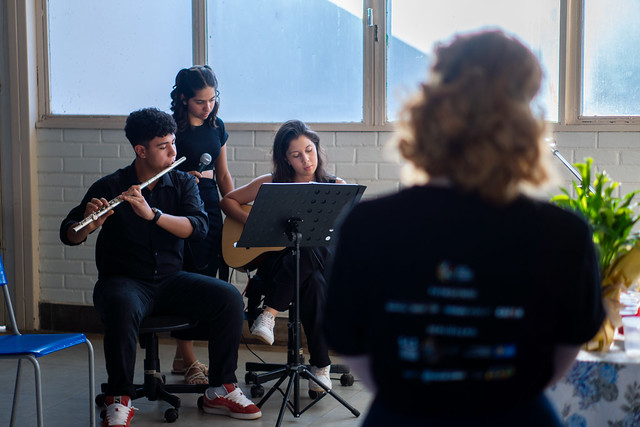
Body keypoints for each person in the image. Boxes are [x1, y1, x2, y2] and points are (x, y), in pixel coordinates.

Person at [324, 30, 605, 426]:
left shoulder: (367, 224)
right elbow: (561, 356)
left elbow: (347, 341)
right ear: (525, 121)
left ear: (429, 112)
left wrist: (417, 398)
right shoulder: (566, 234)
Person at [60, 108, 261, 426]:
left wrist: (153, 214)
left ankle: (220, 389)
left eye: (173, 143)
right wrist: (90, 224)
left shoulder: (182, 182)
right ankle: (119, 398)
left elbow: (198, 228)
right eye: (163, 146)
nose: (173, 151)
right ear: (141, 150)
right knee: (121, 303)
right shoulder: (111, 185)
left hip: (171, 280)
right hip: (125, 281)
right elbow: (69, 234)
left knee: (228, 298)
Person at [220, 119, 345, 393]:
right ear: (286, 159)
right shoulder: (271, 183)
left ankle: (269, 313)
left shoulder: (335, 186)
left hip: (319, 264)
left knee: (311, 247)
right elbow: (227, 200)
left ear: (317, 149)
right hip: (275, 269)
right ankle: (321, 367)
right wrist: (252, 221)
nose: (306, 159)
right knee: (313, 280)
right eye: (297, 155)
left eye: (310, 150)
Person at [168, 65, 234, 385]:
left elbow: (222, 175)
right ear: (182, 99)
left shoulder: (217, 126)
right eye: (199, 101)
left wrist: (234, 210)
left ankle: (182, 358)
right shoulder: (172, 131)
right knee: (190, 281)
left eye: (212, 99)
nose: (207, 107)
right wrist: (182, 178)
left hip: (211, 206)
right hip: (182, 210)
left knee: (209, 277)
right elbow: (158, 174)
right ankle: (192, 360)